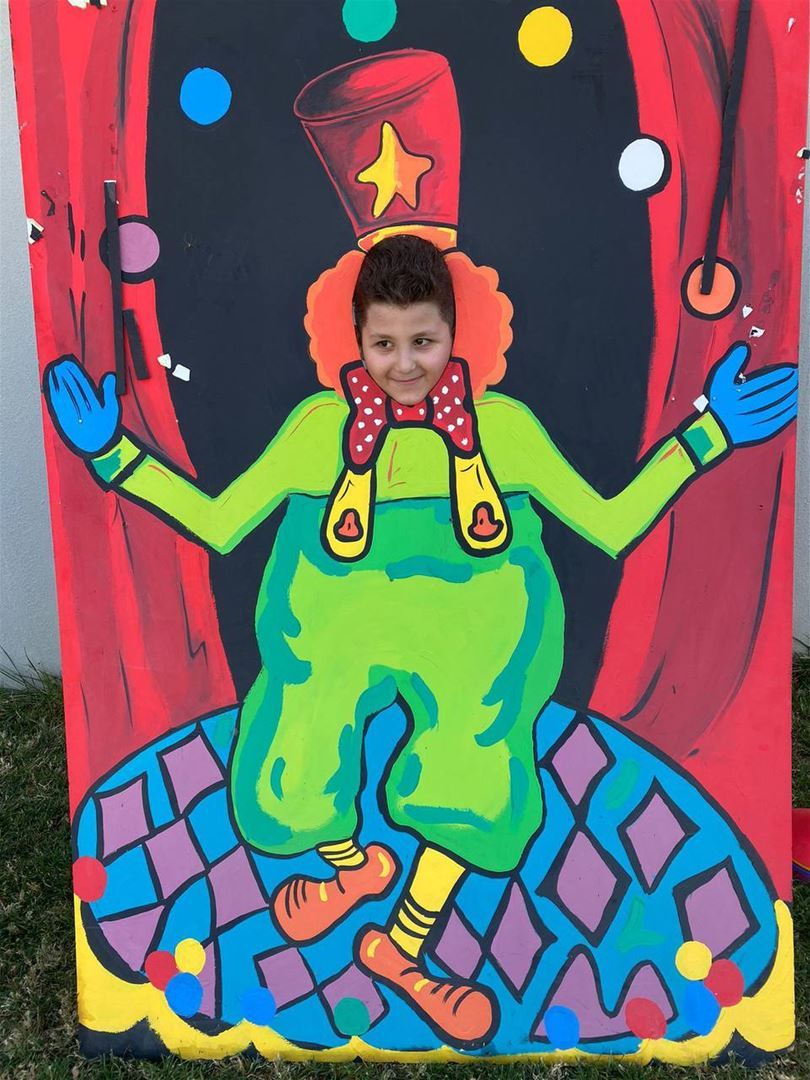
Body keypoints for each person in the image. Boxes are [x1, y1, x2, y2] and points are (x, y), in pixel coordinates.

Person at [44, 235, 798, 1048]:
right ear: (356, 340)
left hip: (474, 637)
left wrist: (710, 434)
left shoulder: (502, 430)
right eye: (384, 343)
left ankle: (402, 946)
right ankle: (353, 866)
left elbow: (611, 524)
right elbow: (221, 523)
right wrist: (111, 455)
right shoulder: (320, 432)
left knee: (473, 769)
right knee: (294, 758)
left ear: (455, 333)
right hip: (335, 625)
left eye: (424, 341)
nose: (405, 364)